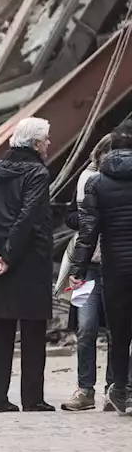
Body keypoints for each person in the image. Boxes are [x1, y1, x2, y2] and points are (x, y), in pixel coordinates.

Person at [0, 116, 55, 412]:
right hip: (29, 262)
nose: (49, 145)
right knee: (32, 333)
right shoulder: (38, 173)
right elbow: (27, 218)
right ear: (35, 144)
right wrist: (7, 254)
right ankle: (32, 398)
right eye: (46, 140)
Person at [69, 119, 132, 415]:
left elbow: (88, 231)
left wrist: (78, 269)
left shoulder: (96, 182)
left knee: (119, 332)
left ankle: (120, 389)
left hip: (115, 269)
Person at [60, 134, 120, 411]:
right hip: (88, 267)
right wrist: (87, 218)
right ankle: (85, 388)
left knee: (116, 329)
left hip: (116, 264)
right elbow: (70, 215)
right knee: (86, 328)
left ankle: (113, 387)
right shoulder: (86, 180)